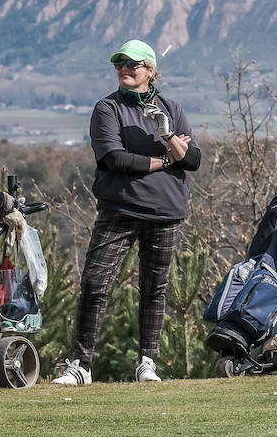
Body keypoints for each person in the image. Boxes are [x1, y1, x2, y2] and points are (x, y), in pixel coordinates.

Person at [54, 39, 202, 385]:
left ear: (150, 70)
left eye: (133, 64)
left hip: (165, 212)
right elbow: (115, 159)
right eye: (119, 63)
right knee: (95, 283)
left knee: (154, 288)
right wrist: (165, 160)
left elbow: (192, 160)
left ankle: (147, 363)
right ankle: (81, 365)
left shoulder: (172, 108)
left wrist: (167, 135)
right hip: (119, 208)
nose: (124, 68)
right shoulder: (108, 109)